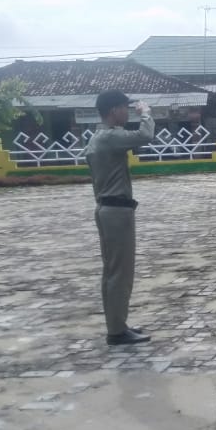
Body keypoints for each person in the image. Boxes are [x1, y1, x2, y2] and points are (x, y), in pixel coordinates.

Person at [85, 90, 155, 345]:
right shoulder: (110, 137)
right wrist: (146, 114)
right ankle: (116, 331)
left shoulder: (97, 138)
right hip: (116, 211)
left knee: (112, 272)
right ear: (114, 110)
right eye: (126, 108)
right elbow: (145, 135)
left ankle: (117, 323)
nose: (128, 112)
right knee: (121, 273)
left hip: (108, 208)